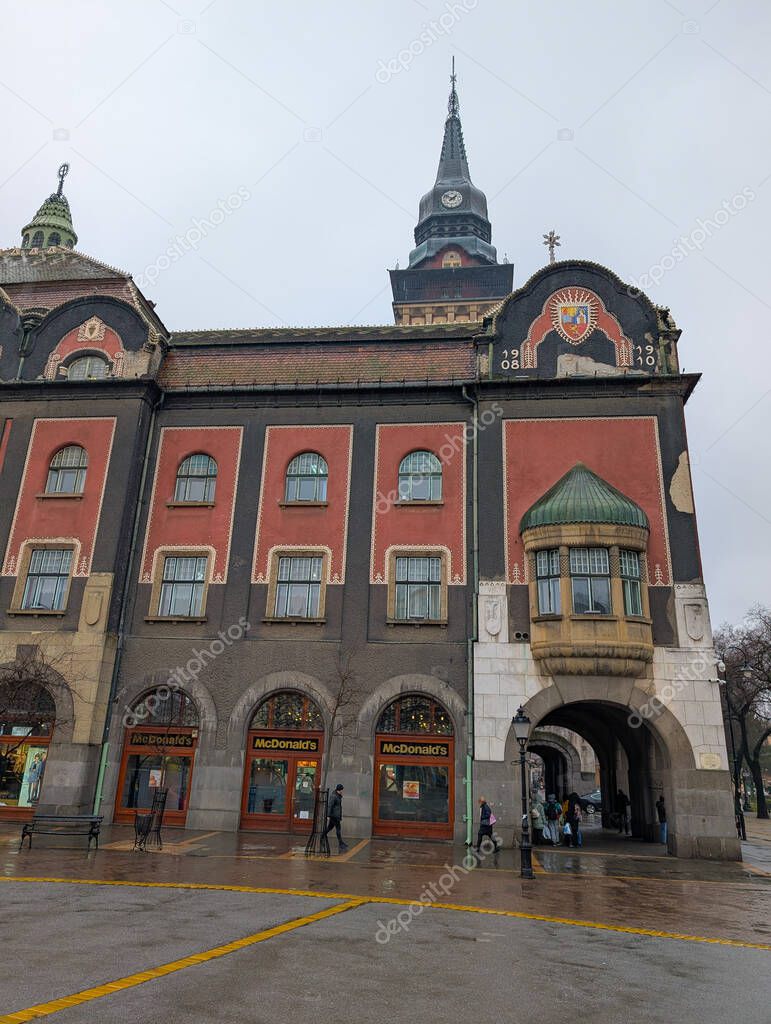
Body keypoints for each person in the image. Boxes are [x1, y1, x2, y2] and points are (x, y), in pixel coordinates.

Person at [324, 784, 348, 851]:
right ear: (339, 790)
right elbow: (330, 806)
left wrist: (340, 796)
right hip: (334, 816)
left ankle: (322, 836)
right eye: (341, 790)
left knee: (329, 828)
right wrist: (328, 815)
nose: (342, 791)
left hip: (336, 815)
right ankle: (341, 843)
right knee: (338, 829)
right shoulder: (334, 796)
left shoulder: (338, 795)